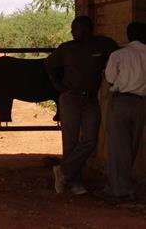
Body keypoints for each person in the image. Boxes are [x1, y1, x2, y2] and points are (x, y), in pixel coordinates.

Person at [45, 15, 118, 195]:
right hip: (70, 98)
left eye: (74, 29)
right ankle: (73, 181)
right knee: (70, 140)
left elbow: (118, 54)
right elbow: (48, 65)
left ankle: (63, 171)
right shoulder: (66, 49)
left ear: (85, 29)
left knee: (90, 140)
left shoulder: (103, 44)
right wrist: (59, 87)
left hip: (91, 99)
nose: (71, 32)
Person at [96, 22, 146, 202]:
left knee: (118, 147)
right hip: (140, 104)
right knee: (132, 145)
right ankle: (125, 186)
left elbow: (109, 77)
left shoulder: (119, 54)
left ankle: (118, 190)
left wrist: (118, 84)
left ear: (128, 35)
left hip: (121, 101)